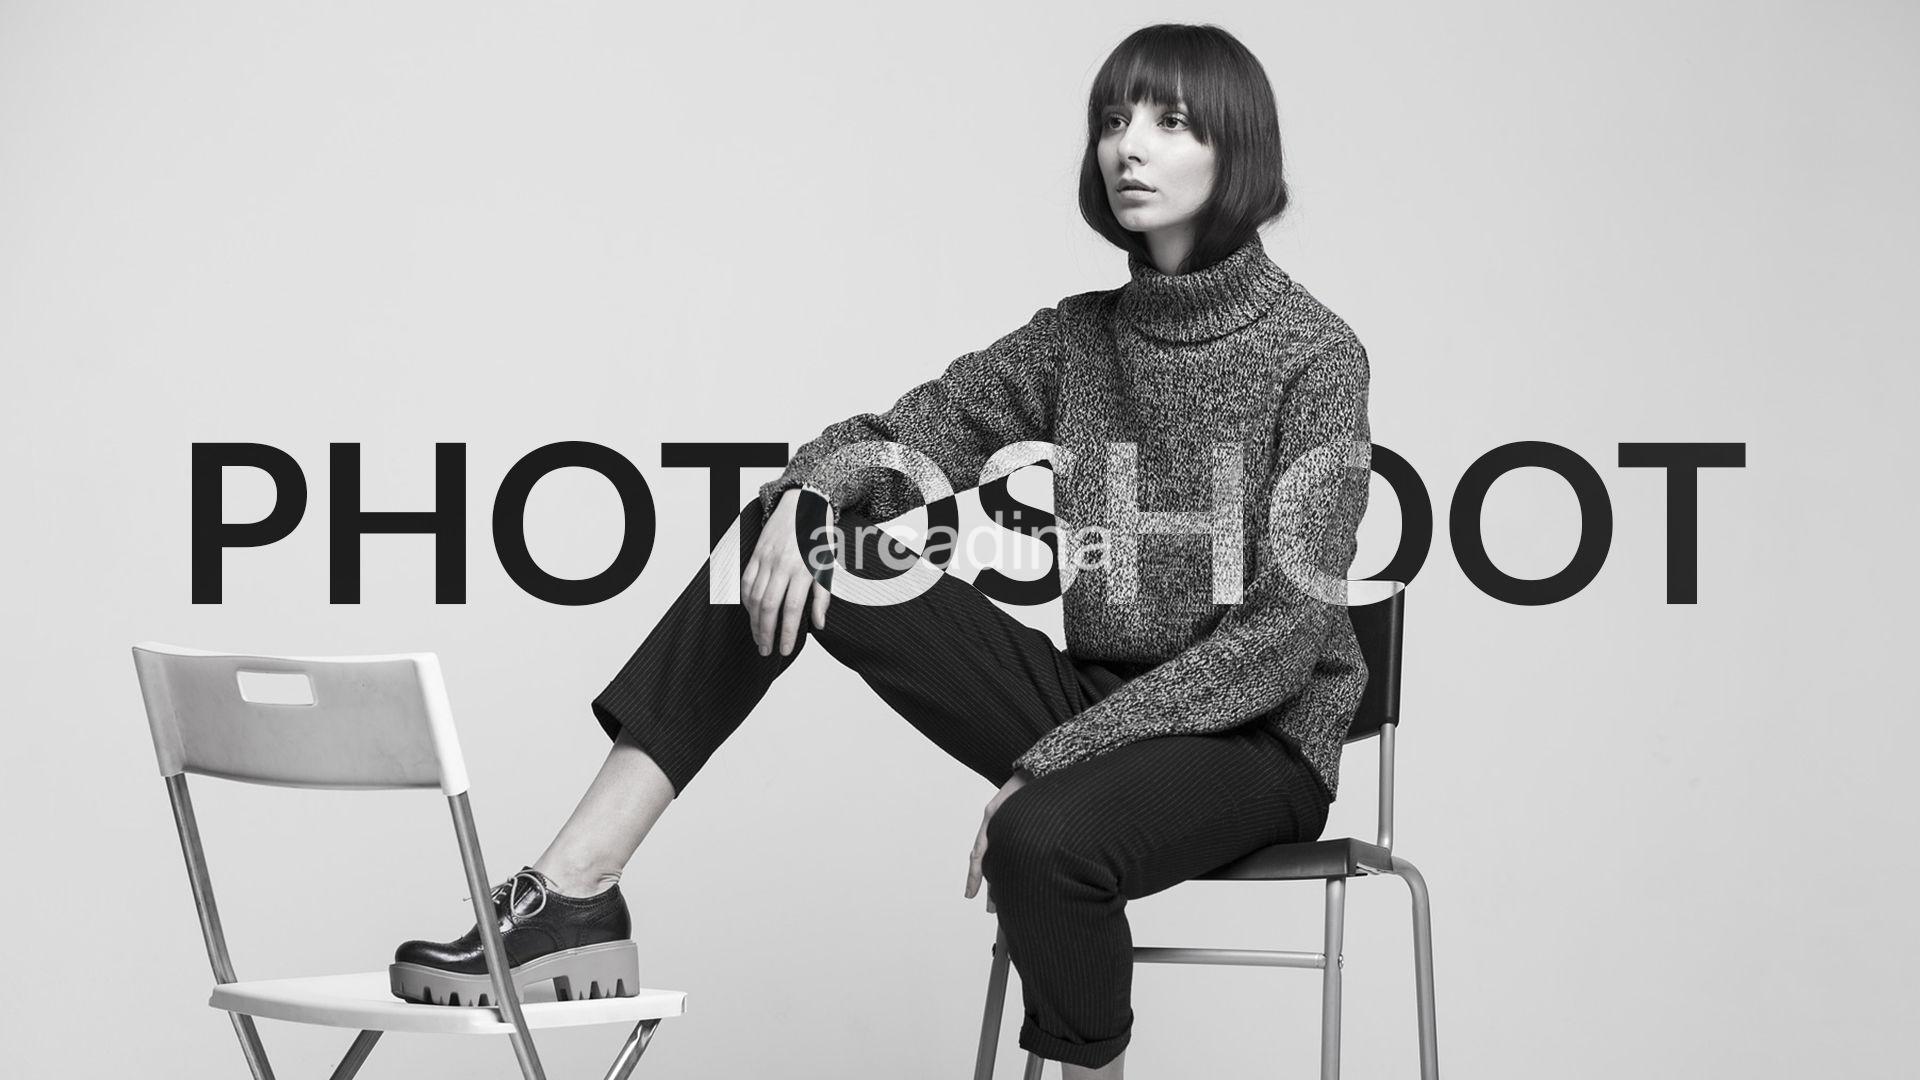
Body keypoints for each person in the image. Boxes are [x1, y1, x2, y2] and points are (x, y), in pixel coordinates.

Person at [389, 22, 1373, 1079]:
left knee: (1041, 838)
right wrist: (808, 494)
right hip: (1093, 703)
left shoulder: (1317, 356)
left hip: (1252, 742)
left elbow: (1279, 641)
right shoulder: (1077, 339)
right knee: (788, 530)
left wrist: (1052, 765)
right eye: (1113, 119)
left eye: (1171, 122)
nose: (1128, 146)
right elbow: (905, 436)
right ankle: (575, 893)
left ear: (1237, 148)